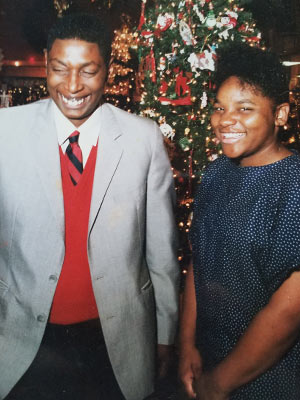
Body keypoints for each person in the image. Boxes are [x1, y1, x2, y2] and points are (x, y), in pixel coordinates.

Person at [0, 13, 179, 400]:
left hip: (115, 344)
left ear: (108, 69)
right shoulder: (5, 132)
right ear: (46, 63)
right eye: (60, 69)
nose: (73, 85)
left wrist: (165, 335)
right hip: (23, 341)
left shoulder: (143, 139)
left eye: (88, 70)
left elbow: (162, 252)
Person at [178, 42, 300, 400]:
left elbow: (289, 312)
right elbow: (198, 266)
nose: (225, 120)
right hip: (209, 361)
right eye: (220, 107)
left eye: (244, 109)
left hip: (268, 377)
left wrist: (219, 384)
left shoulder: (293, 184)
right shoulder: (216, 174)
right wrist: (186, 346)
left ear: (279, 114)